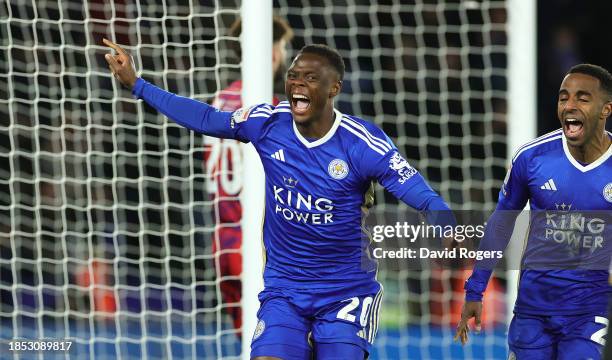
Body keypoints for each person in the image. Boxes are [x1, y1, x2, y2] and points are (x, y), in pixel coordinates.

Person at [104, 38, 453, 359]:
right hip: (285, 287)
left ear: (334, 88)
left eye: (311, 78)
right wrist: (138, 85)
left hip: (346, 291)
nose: (298, 83)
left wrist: (445, 224)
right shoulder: (268, 123)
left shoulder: (362, 144)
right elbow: (208, 119)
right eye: (293, 75)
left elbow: (422, 195)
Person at [455, 64, 612, 359]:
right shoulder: (532, 158)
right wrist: (475, 290)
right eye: (564, 97)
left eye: (582, 98)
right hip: (532, 311)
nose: (569, 106)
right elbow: (500, 225)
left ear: (606, 109)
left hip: (590, 311)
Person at [204, 15, 293, 333]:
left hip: (224, 244)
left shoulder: (220, 101)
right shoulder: (271, 109)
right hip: (260, 247)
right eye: (281, 47)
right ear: (271, 53)